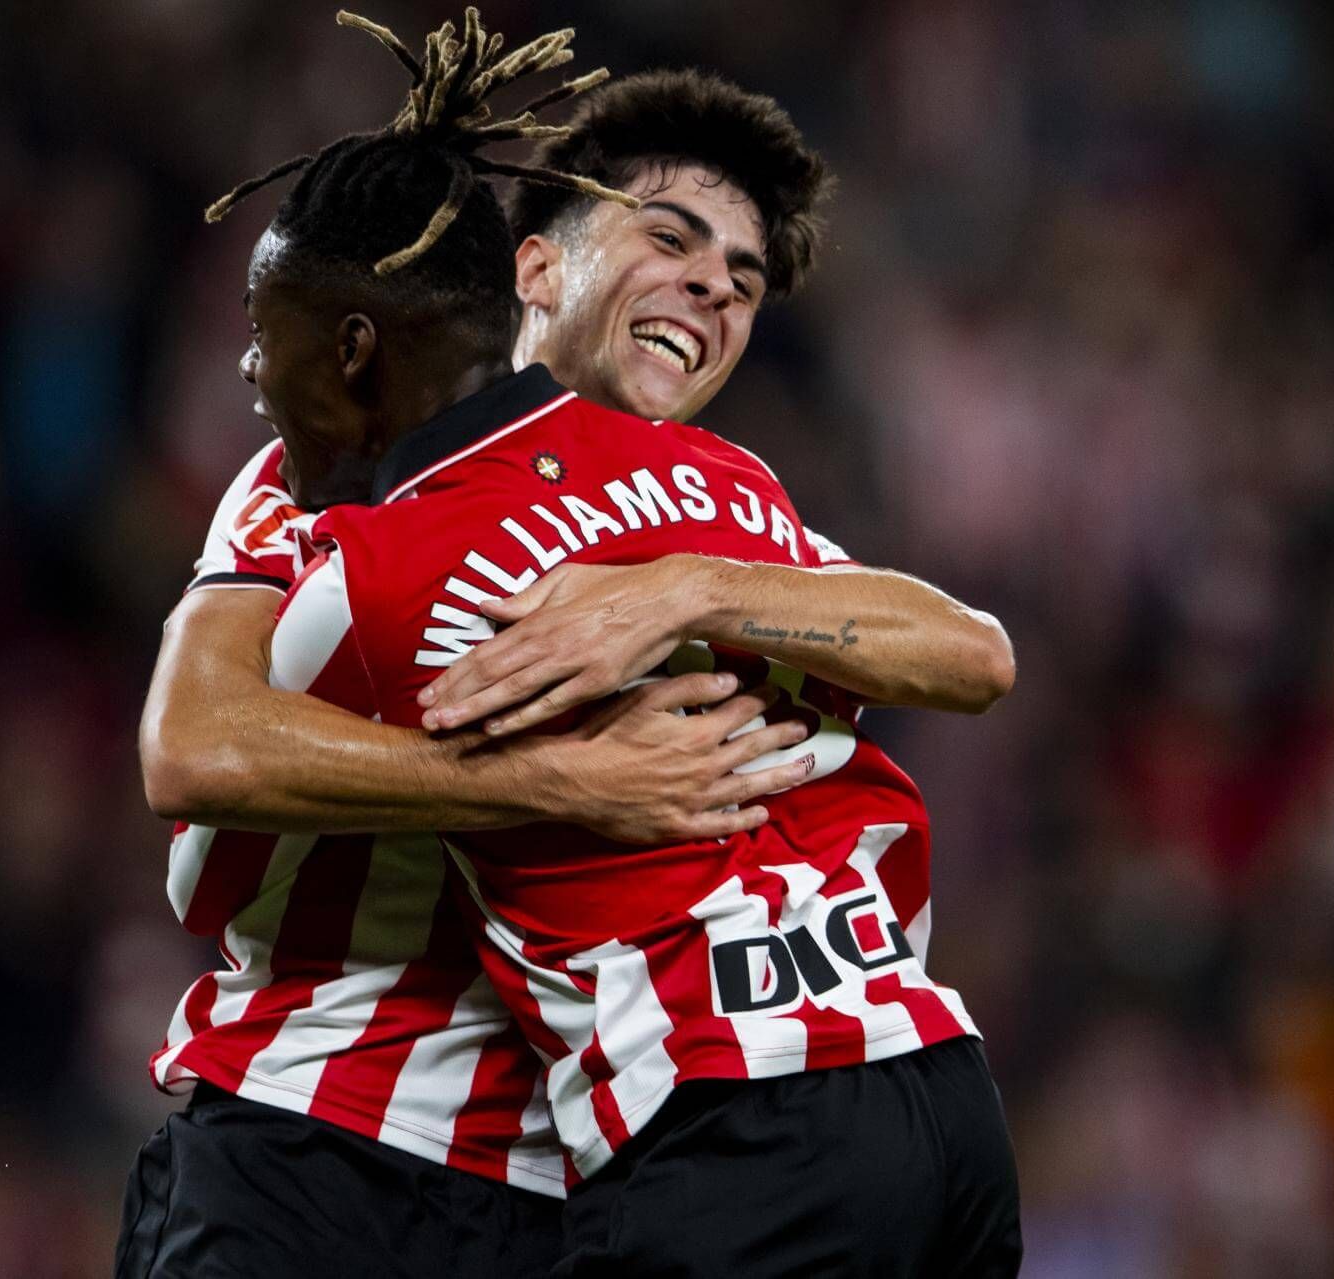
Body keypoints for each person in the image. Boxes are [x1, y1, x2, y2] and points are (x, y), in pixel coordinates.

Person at [150, 9, 1021, 1274]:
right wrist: (537, 782)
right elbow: (196, 751)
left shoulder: (723, 497)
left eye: (744, 276)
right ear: (537, 272)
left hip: (596, 1155)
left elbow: (965, 651)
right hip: (326, 1126)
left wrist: (683, 593)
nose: (714, 284)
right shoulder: (335, 470)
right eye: (669, 240)